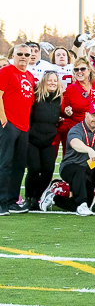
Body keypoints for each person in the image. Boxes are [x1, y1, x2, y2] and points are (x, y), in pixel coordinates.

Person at [40, 103, 95, 216]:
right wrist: (88, 150)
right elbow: (75, 143)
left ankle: (54, 198)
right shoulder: (76, 129)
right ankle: (82, 204)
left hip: (88, 170)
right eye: (93, 115)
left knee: (81, 203)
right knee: (79, 171)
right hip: (70, 167)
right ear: (86, 114)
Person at [0, 44, 36, 215]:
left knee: (19, 165)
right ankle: (1, 202)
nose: (23, 57)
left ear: (31, 57)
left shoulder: (30, 76)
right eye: (19, 54)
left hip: (24, 126)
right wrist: (3, 119)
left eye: (26, 54)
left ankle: (12, 200)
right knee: (4, 164)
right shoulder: (6, 71)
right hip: (9, 123)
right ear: (13, 55)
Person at [25, 71, 64, 210]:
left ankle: (38, 196)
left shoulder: (60, 98)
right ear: (43, 82)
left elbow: (63, 114)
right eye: (49, 80)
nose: (52, 83)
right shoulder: (35, 96)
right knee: (34, 169)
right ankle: (28, 197)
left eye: (55, 80)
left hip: (49, 139)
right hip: (33, 138)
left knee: (48, 170)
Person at [58, 57, 95, 155]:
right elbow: (63, 111)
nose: (79, 72)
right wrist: (66, 111)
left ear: (89, 70)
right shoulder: (71, 89)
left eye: (82, 69)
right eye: (76, 69)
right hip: (78, 131)